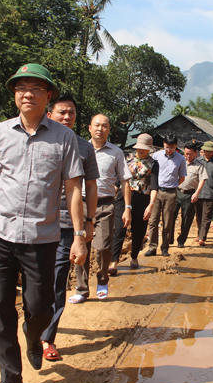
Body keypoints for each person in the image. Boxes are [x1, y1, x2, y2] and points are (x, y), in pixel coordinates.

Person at [0, 63, 85, 383]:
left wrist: (79, 234)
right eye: (21, 88)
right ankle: (11, 378)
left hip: (42, 236)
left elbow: (73, 188)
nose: (27, 93)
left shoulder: (64, 138)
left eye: (35, 88)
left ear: (47, 96)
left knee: (40, 307)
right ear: (15, 95)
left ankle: (34, 338)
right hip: (0, 233)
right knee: (2, 307)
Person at [39, 94, 99, 362]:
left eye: (71, 113)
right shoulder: (39, 140)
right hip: (37, 221)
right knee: (35, 281)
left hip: (66, 223)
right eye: (62, 112)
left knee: (58, 280)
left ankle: (47, 337)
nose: (67, 117)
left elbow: (92, 186)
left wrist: (88, 222)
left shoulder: (84, 148)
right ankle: (33, 328)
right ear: (49, 114)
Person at [70, 114, 131, 303]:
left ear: (109, 130)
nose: (100, 129)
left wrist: (128, 207)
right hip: (81, 203)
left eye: (104, 126)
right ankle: (82, 288)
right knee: (81, 243)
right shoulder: (78, 148)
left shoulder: (116, 152)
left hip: (105, 203)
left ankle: (102, 280)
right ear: (89, 128)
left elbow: (125, 181)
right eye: (97, 125)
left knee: (104, 245)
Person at [144, 134, 186, 257]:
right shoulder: (156, 156)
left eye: (172, 147)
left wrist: (173, 185)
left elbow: (182, 177)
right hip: (156, 192)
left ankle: (165, 248)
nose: (169, 150)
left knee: (168, 222)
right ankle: (152, 247)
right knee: (153, 221)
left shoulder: (180, 159)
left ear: (176, 146)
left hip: (171, 193)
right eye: (167, 147)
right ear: (163, 144)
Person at [124, 133, 159, 267]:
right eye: (139, 148)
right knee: (120, 227)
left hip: (143, 198)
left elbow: (154, 186)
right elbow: (121, 178)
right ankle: (114, 260)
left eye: (145, 149)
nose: (141, 151)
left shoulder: (153, 164)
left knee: (139, 230)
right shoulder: (127, 159)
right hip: (126, 196)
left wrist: (151, 205)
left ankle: (134, 256)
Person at [176, 141, 207, 248]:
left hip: (190, 195)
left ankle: (181, 240)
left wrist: (196, 193)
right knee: (170, 216)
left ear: (196, 153)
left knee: (187, 219)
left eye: (190, 154)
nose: (187, 156)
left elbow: (203, 179)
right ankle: (168, 239)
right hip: (177, 192)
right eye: (186, 153)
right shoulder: (180, 162)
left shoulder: (200, 166)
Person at [194, 141, 213, 246]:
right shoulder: (198, 161)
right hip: (198, 192)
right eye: (205, 150)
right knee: (198, 216)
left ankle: (202, 237)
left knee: (206, 217)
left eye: (208, 151)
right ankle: (199, 233)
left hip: (211, 193)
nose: (206, 152)